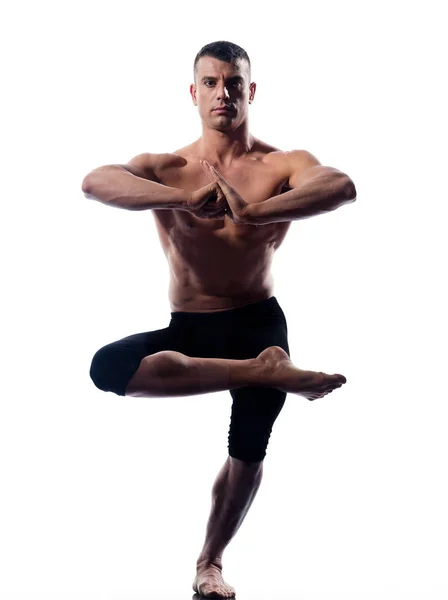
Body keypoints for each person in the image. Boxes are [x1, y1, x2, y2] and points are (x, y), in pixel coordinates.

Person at [82, 40, 356, 599]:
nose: (223, 94)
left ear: (250, 91)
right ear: (194, 93)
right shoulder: (166, 169)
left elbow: (340, 187)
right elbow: (95, 182)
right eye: (210, 83)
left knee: (248, 447)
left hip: (258, 324)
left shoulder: (282, 164)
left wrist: (255, 210)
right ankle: (269, 374)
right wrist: (180, 201)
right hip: (192, 324)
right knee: (108, 368)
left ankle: (211, 563)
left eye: (233, 83)